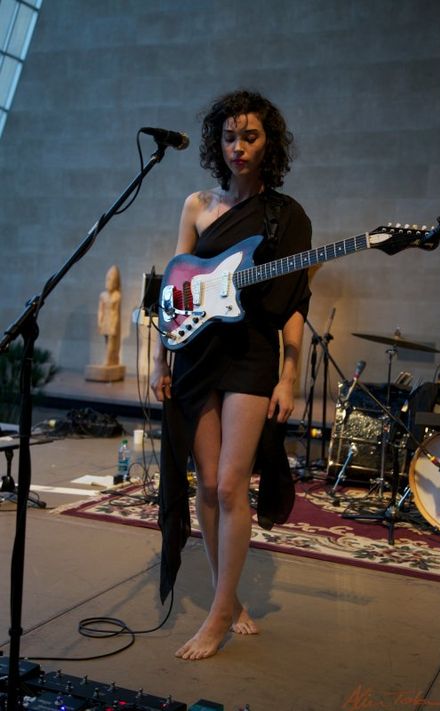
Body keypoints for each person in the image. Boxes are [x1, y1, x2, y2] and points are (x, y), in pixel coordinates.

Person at [151, 89, 312, 660]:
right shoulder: (197, 204)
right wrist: (159, 358)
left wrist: (290, 376)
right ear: (216, 143)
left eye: (250, 137)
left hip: (249, 356)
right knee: (207, 485)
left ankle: (218, 615)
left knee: (228, 484)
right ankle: (229, 597)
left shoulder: (286, 217)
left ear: (270, 145)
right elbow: (174, 285)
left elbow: (295, 305)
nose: (238, 148)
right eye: (229, 137)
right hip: (195, 356)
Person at [97, 265, 122, 366]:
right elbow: (100, 310)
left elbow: (116, 312)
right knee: (107, 342)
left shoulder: (117, 295)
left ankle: (109, 360)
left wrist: (115, 325)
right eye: (108, 279)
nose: (109, 282)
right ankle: (110, 359)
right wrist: (100, 321)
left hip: (112, 320)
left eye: (111, 280)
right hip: (105, 321)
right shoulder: (103, 295)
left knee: (112, 342)